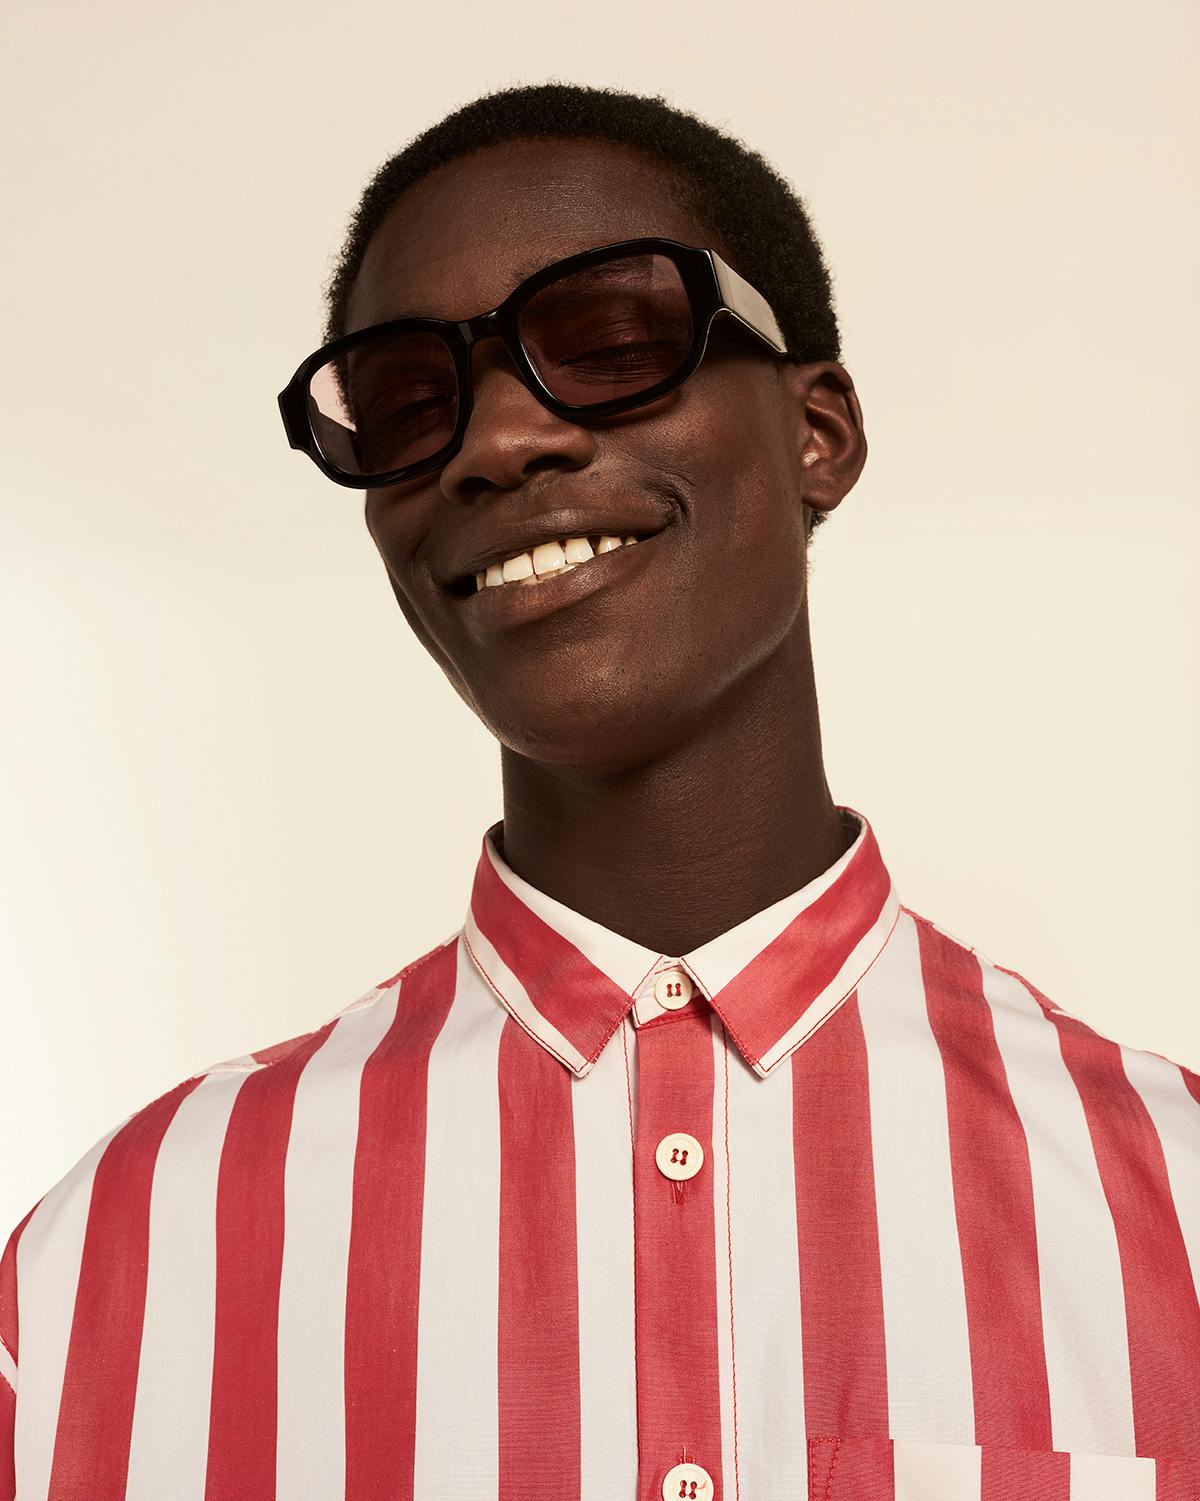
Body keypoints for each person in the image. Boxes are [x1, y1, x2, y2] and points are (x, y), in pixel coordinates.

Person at [2, 82, 1196, 1501]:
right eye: (408, 406)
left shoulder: (1176, 1204)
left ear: (819, 430)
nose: (495, 444)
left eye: (615, 344)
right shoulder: (107, 1263)